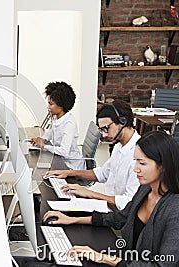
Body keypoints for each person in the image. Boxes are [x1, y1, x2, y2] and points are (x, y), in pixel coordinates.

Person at [43, 131, 179, 266]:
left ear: (164, 167)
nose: (135, 169)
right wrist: (73, 219)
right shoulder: (146, 189)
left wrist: (103, 258)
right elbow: (120, 218)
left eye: (142, 163)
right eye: (135, 161)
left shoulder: (175, 209)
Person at [46, 100, 140, 210]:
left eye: (106, 128)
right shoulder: (119, 145)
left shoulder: (138, 156)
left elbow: (128, 202)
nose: (104, 135)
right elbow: (102, 174)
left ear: (123, 121)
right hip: (108, 207)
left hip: (119, 216)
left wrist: (90, 194)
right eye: (102, 130)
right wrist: (68, 173)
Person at [30, 82, 85, 170]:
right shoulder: (58, 117)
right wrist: (42, 139)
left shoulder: (69, 123)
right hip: (60, 160)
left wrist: (44, 146)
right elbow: (52, 132)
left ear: (61, 105)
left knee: (40, 171)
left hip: (71, 166)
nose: (48, 107)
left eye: (51, 104)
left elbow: (64, 152)